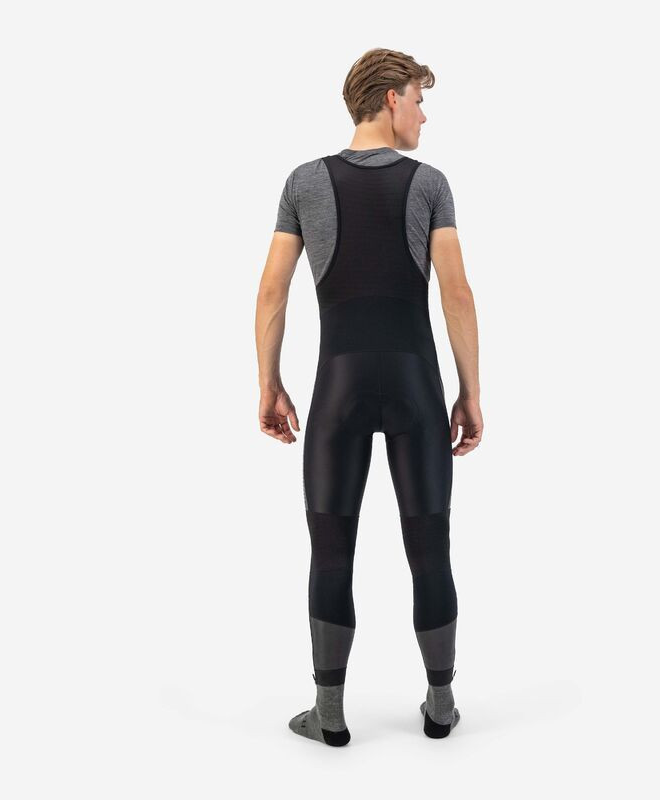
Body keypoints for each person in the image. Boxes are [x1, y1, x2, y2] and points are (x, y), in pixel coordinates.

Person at [255, 48, 482, 746]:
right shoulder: (430, 184)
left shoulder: (303, 182)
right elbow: (456, 293)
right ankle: (440, 705)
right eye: (419, 99)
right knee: (430, 548)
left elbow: (272, 290)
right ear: (390, 98)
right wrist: (470, 391)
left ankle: (328, 714)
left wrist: (269, 383)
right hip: (416, 386)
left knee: (331, 551)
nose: (423, 115)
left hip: (339, 390)